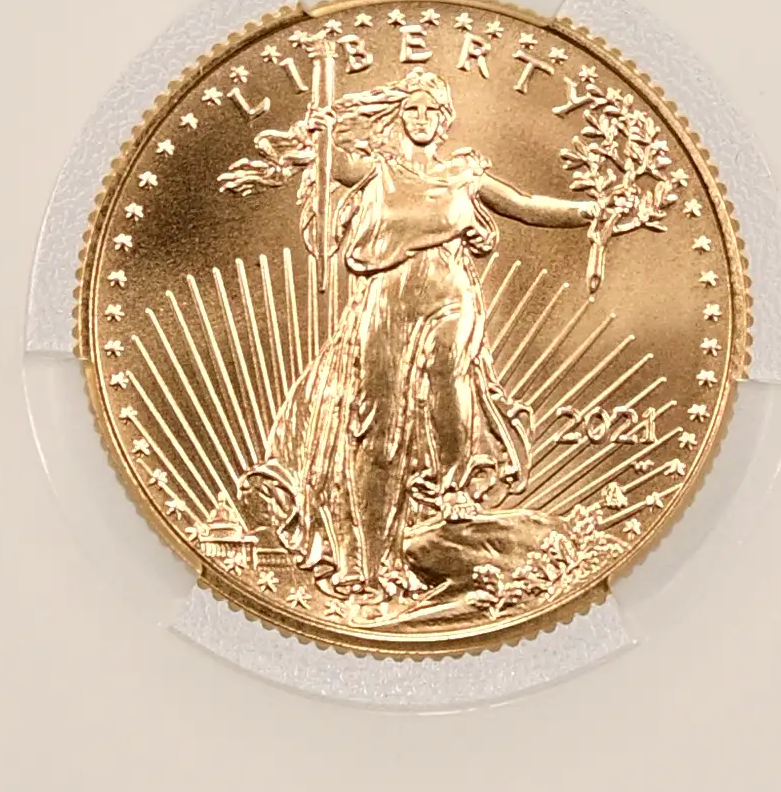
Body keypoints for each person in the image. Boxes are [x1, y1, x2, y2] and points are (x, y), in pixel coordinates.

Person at [244, 70, 597, 596]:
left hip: (449, 293)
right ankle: (369, 557)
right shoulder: (376, 171)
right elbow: (333, 163)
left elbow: (526, 206)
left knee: (448, 375)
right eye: (412, 109)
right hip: (386, 300)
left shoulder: (465, 175)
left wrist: (590, 212)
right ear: (399, 116)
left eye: (432, 110)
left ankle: (453, 487)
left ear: (445, 119)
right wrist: (321, 132)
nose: (422, 118)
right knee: (375, 418)